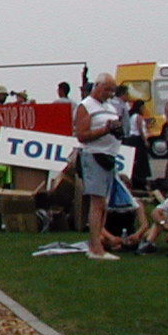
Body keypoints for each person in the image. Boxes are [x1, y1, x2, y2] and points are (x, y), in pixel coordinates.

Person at [75, 73, 124, 260]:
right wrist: (106, 129)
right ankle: (95, 247)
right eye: (107, 89)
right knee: (97, 202)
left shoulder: (110, 106)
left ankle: (99, 242)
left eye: (112, 90)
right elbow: (82, 135)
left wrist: (117, 131)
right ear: (97, 86)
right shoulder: (86, 106)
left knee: (103, 204)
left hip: (109, 156)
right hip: (94, 155)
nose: (110, 93)